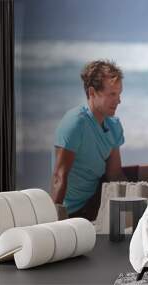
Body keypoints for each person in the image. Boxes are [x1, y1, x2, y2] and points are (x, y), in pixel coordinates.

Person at [51, 60, 127, 221]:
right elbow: (59, 176)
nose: (118, 101)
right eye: (112, 94)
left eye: (119, 94)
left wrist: (135, 201)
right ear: (92, 92)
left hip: (96, 200)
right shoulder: (75, 123)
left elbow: (114, 174)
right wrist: (53, 221)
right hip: (72, 210)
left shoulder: (114, 125)